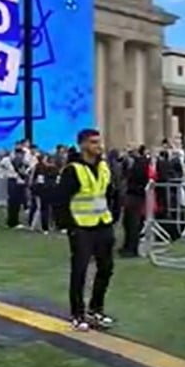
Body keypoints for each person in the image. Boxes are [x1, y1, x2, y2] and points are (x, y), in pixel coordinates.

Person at [51, 128, 118, 332]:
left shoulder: (104, 166)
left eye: (99, 142)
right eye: (93, 142)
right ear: (82, 145)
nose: (98, 146)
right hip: (81, 226)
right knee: (80, 270)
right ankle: (77, 313)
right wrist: (68, 226)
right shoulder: (72, 170)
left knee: (106, 268)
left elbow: (110, 193)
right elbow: (60, 200)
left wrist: (113, 216)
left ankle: (96, 309)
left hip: (103, 223)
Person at [119, 146, 152, 257]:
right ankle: (128, 246)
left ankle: (131, 248)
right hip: (134, 194)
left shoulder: (140, 164)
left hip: (135, 195)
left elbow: (137, 178)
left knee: (132, 222)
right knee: (128, 222)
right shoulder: (138, 163)